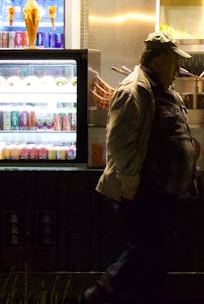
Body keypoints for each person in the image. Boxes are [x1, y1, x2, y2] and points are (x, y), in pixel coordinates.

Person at [84, 32, 197, 304]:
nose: (178, 70)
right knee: (146, 249)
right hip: (143, 191)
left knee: (158, 253)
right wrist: (129, 182)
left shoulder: (164, 90)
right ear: (157, 61)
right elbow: (119, 142)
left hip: (164, 192)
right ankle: (98, 294)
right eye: (173, 62)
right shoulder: (134, 90)